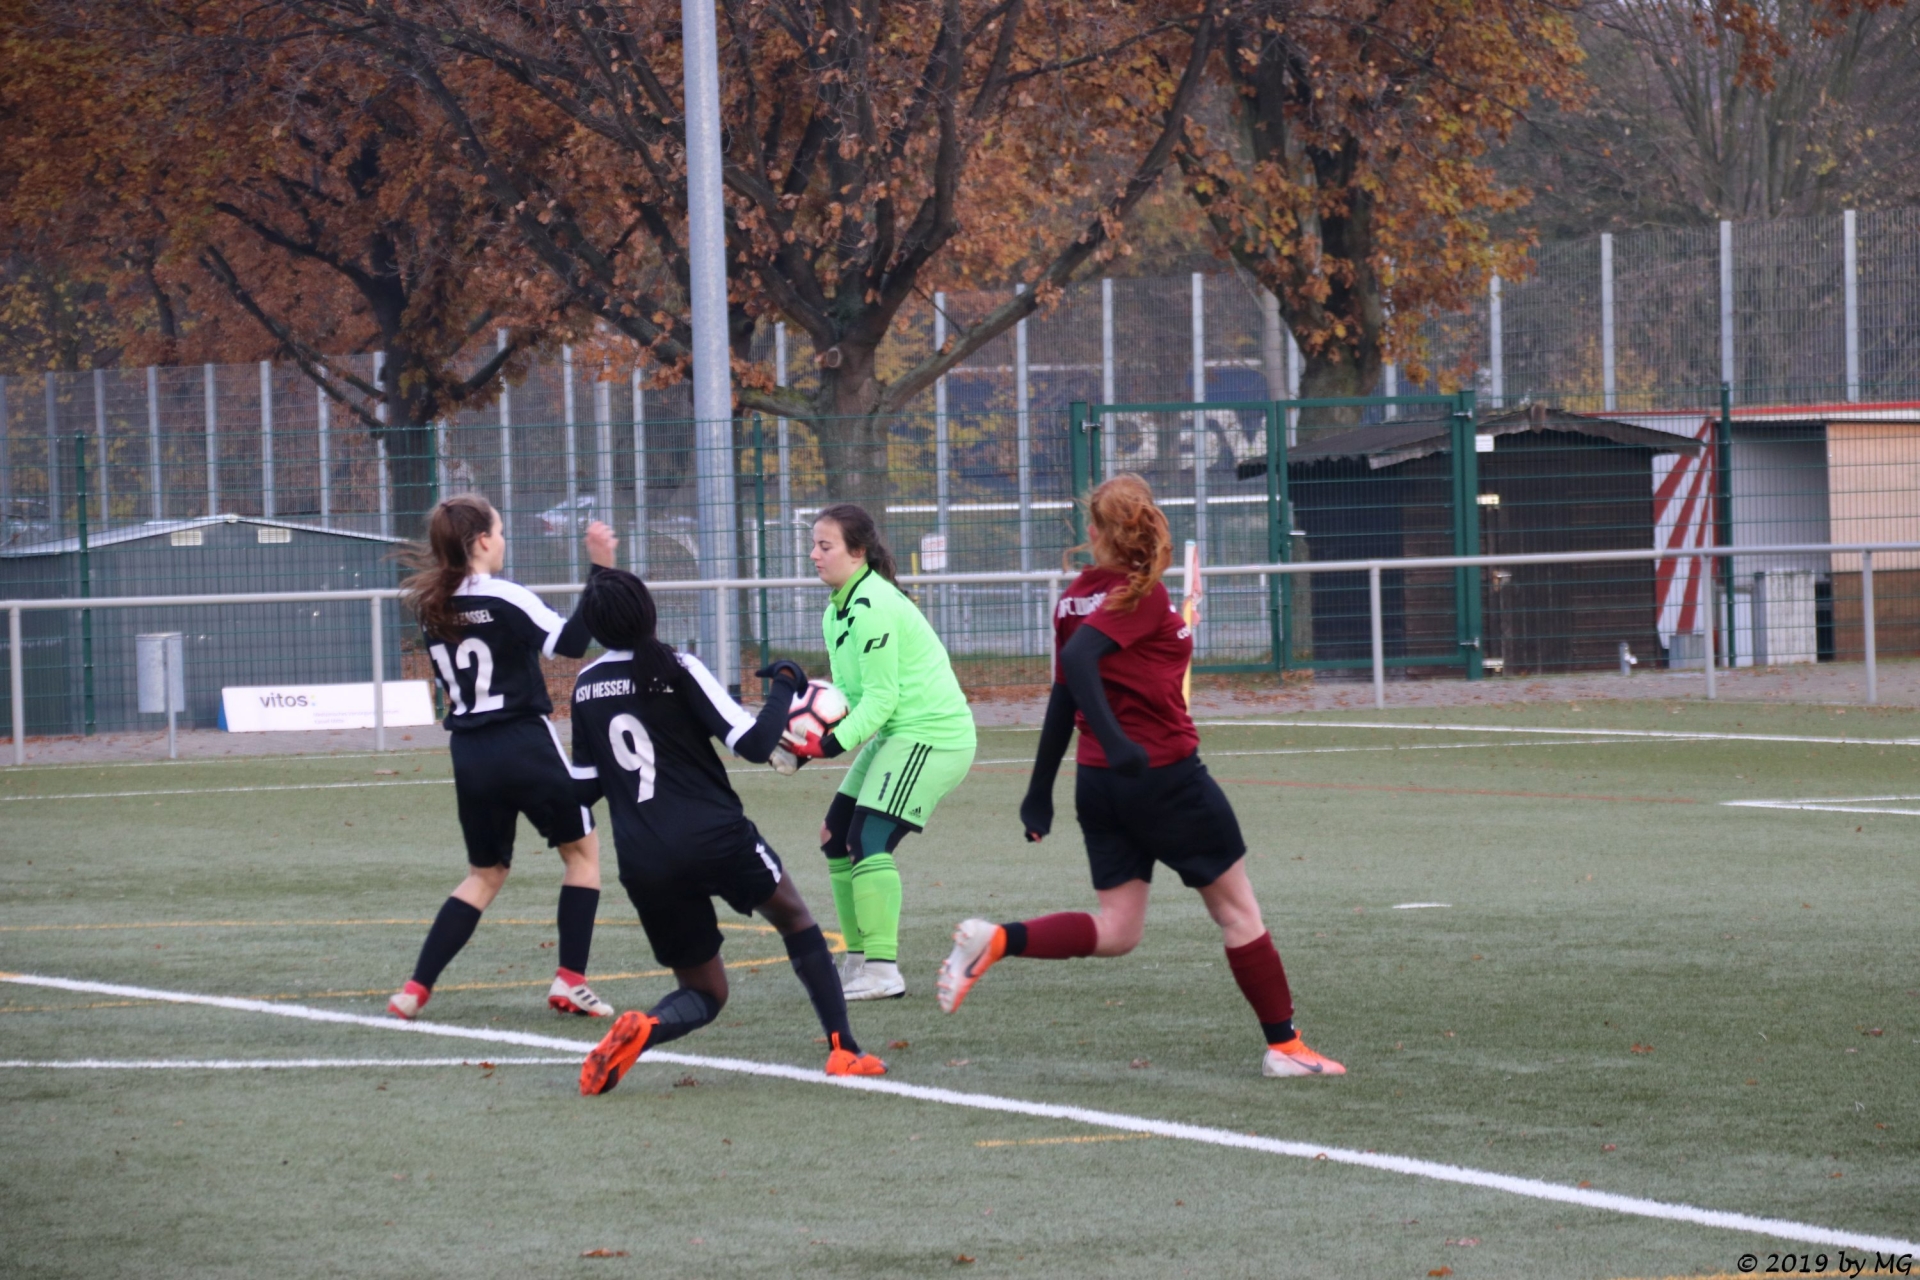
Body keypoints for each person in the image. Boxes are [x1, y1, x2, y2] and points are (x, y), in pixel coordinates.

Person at [935, 475, 1345, 1079]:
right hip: (1163, 776)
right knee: (1239, 914)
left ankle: (997, 939)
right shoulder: (1140, 594)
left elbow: (1063, 694)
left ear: (1095, 531)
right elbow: (1079, 666)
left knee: (1119, 930)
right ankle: (1285, 1049)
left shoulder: (1073, 598)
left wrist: (1039, 792)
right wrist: (1121, 743)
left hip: (1099, 784)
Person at [567, 566, 886, 1094]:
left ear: (596, 627)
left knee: (706, 993)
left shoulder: (585, 687)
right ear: (648, 611)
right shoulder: (677, 667)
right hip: (714, 836)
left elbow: (581, 790)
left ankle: (646, 1027)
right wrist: (785, 685)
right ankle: (845, 1050)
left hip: (644, 859)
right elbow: (756, 745)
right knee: (795, 919)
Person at [387, 494, 615, 1022]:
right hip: (523, 742)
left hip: (469, 753)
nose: (504, 541)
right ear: (484, 540)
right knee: (582, 855)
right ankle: (571, 980)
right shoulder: (505, 596)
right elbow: (572, 643)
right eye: (501, 531)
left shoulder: (432, 603)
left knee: (484, 874)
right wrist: (600, 571)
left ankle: (415, 989)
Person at [786, 503, 977, 1001]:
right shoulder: (837, 610)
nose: (814, 555)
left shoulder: (873, 604)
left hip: (932, 735)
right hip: (897, 733)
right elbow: (851, 696)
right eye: (814, 545)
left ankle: (883, 970)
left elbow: (882, 699)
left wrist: (828, 745)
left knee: (868, 839)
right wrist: (802, 744)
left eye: (825, 546)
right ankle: (858, 961)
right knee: (834, 837)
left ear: (857, 552)